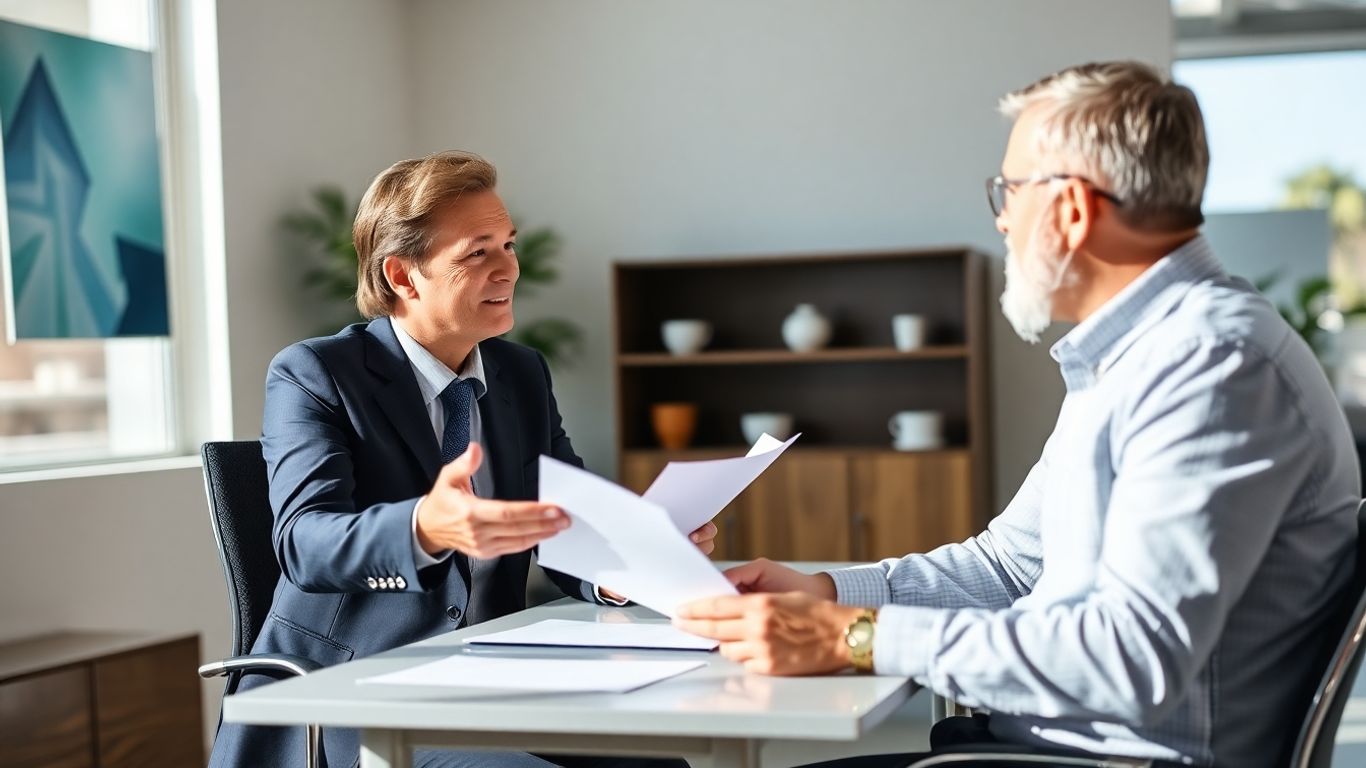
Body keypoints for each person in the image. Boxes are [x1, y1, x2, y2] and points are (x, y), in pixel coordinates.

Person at [675, 61, 1361, 768]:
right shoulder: (1136, 358)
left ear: (1071, 209)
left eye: (1009, 191)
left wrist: (852, 636)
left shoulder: (1212, 366)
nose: (1002, 218)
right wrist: (826, 593)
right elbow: (1008, 567)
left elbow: (1132, 657)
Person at [208, 151, 713, 768]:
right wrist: (423, 527)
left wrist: (629, 558)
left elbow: (561, 519)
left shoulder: (520, 373)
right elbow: (304, 545)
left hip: (494, 677)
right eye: (478, 253)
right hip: (362, 689)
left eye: (509, 245)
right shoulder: (315, 373)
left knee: (658, 761)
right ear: (403, 275)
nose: (510, 269)